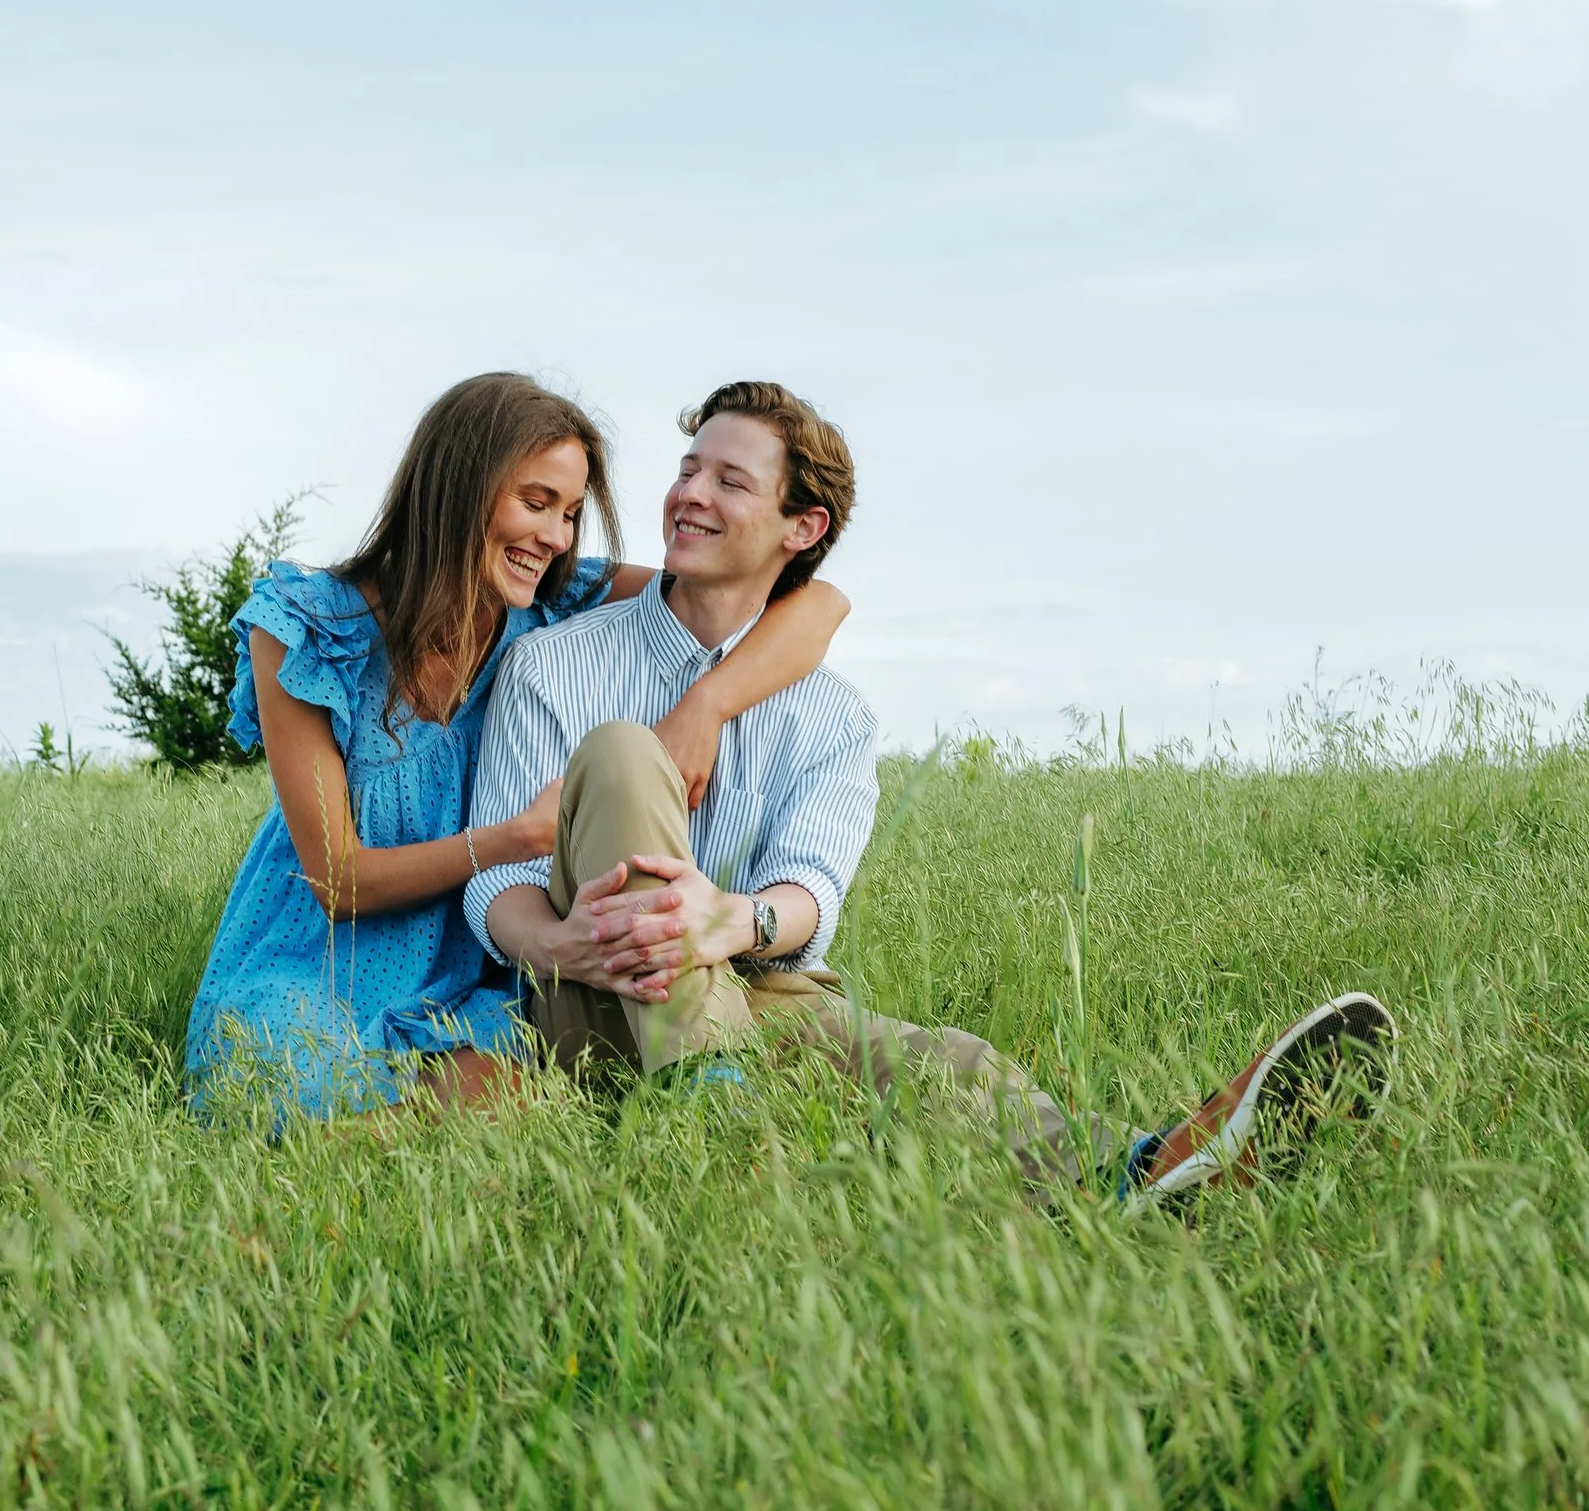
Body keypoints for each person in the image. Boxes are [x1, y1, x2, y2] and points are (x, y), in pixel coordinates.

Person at [465, 377, 1393, 1195]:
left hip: (760, 993)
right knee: (627, 752)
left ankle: (1150, 1173)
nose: (687, 495)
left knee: (952, 1066)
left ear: (804, 527)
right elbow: (494, 878)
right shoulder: (554, 664)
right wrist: (561, 947)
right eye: (688, 467)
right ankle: (717, 1118)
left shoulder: (832, 716)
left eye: (728, 481)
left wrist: (729, 922)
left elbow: (809, 894)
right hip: (590, 995)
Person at [184, 370, 854, 1121]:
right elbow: (336, 881)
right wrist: (509, 839)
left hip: (474, 965)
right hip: (323, 956)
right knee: (304, 1103)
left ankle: (698, 1101)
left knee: (527, 1105)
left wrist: (710, 702)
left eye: (569, 514)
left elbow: (815, 601)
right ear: (456, 488)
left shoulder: (545, 600)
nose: (555, 538)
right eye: (535, 504)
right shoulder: (309, 629)